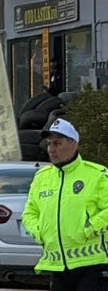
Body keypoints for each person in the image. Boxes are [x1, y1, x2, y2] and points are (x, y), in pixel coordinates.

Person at [22, 119, 108, 291]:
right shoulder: (42, 177)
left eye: (57, 143)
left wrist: (90, 228)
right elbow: (29, 213)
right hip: (57, 266)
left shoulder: (96, 174)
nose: (51, 149)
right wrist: (39, 232)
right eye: (49, 144)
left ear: (73, 143)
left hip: (93, 265)